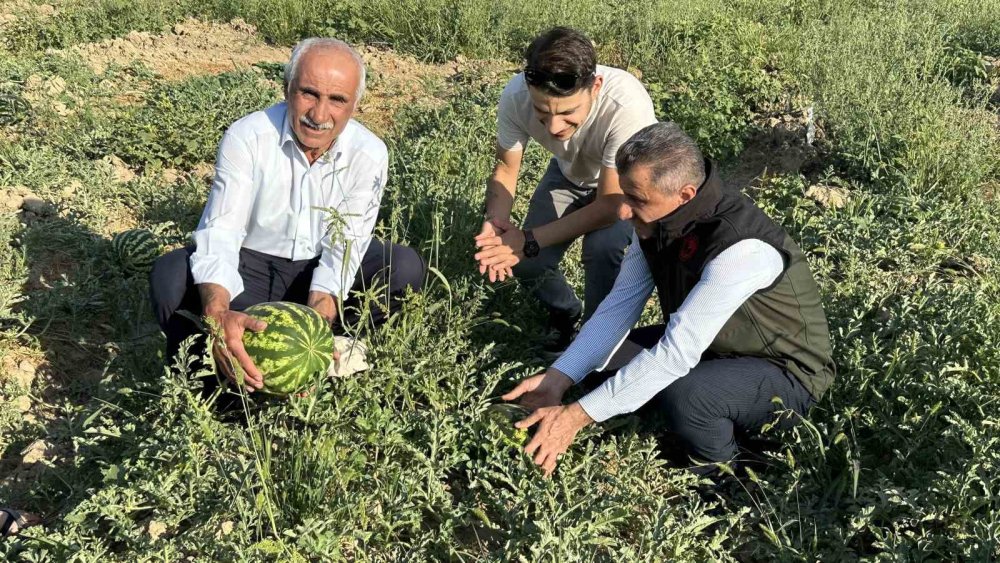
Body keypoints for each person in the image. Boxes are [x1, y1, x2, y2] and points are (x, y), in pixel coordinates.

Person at [503, 122, 836, 476]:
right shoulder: (659, 224)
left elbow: (677, 353)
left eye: (637, 199)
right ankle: (682, 425)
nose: (622, 212)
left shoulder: (740, 248)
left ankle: (726, 478)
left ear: (685, 195)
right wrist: (559, 378)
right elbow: (617, 309)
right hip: (713, 348)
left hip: (784, 373)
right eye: (624, 194)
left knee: (689, 395)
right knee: (601, 368)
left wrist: (574, 418)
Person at [149, 38, 425, 392]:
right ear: (287, 89)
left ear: (355, 105)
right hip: (249, 270)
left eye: (337, 99)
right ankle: (214, 378)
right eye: (308, 93)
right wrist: (218, 314)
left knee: (402, 266)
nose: (319, 115)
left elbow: (345, 249)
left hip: (317, 268)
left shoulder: (369, 153)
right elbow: (221, 232)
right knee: (171, 276)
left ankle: (332, 358)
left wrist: (313, 333)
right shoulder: (248, 136)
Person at [473, 27, 656, 355]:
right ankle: (564, 313)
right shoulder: (516, 97)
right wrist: (498, 226)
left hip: (626, 187)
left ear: (595, 86)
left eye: (568, 113)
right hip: (569, 173)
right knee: (527, 262)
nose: (555, 127)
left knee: (603, 249)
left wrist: (529, 238)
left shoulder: (625, 103)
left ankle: (598, 339)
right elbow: (505, 168)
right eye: (542, 113)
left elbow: (612, 204)